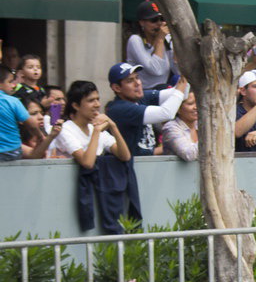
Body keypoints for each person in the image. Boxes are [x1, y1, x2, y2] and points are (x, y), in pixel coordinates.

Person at [50, 80, 140, 232]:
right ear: (76, 105)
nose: (97, 104)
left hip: (100, 196)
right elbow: (87, 162)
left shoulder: (95, 129)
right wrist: (97, 131)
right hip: (67, 200)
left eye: (98, 99)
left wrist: (113, 126)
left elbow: (125, 156)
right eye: (91, 100)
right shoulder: (66, 129)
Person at [103, 60, 184, 155]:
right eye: (130, 81)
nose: (137, 83)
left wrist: (189, 75)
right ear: (117, 88)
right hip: (129, 166)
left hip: (145, 164)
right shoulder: (119, 108)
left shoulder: (139, 98)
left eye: (137, 77)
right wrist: (182, 86)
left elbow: (178, 94)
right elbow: (167, 113)